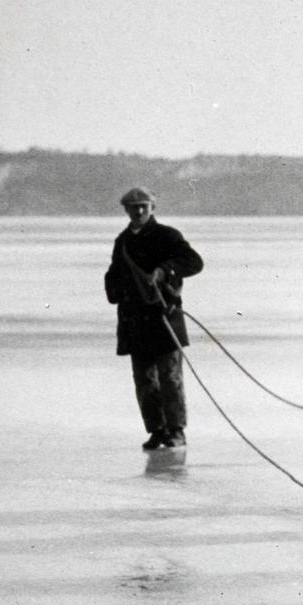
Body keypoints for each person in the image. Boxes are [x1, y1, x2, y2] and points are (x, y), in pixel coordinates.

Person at [104, 187, 204, 450]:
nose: (138, 211)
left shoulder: (167, 236)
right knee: (145, 381)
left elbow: (194, 262)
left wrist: (164, 271)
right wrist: (119, 292)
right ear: (125, 210)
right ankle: (157, 431)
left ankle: (177, 431)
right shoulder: (122, 242)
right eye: (133, 207)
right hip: (135, 322)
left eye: (143, 206)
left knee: (170, 378)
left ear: (152, 208)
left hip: (165, 318)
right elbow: (113, 276)